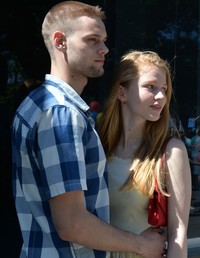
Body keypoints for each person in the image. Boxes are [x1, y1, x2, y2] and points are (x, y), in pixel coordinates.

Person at [11, 2, 166, 258]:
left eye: (104, 40)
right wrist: (142, 245)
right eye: (92, 40)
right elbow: (72, 223)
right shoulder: (61, 113)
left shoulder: (35, 104)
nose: (104, 49)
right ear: (60, 41)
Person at [98, 50, 191, 257]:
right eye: (150, 87)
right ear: (122, 93)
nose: (161, 97)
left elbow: (178, 232)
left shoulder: (171, 151)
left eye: (164, 89)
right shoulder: (97, 146)